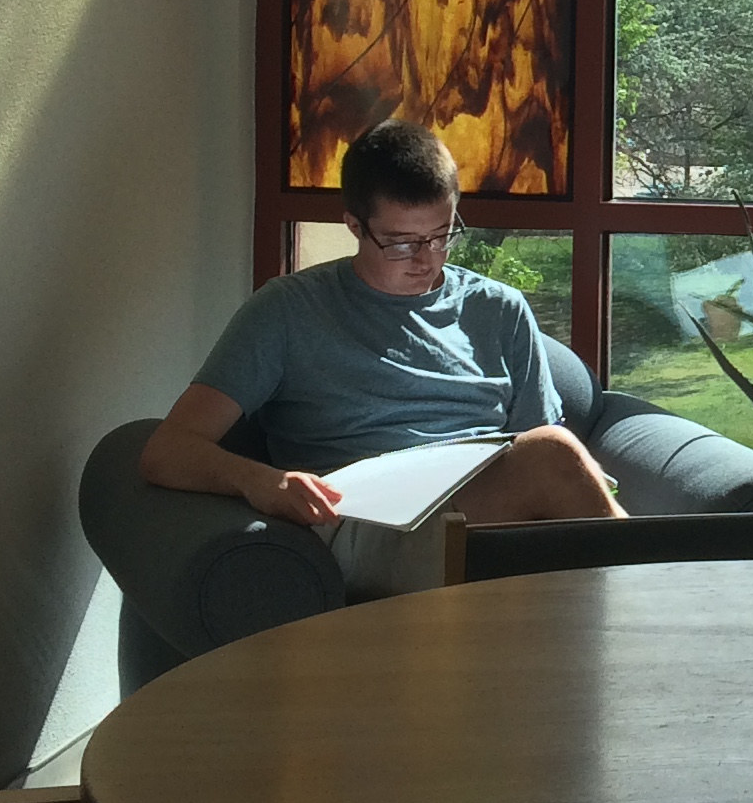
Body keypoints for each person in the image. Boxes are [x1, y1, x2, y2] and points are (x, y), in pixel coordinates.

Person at [140, 118, 616, 593]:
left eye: (442, 234)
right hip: (367, 527)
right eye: (402, 243)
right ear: (354, 226)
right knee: (552, 456)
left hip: (486, 509)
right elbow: (167, 452)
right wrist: (261, 482)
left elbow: (533, 442)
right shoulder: (286, 310)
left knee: (553, 464)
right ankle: (659, 596)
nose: (426, 259)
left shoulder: (499, 309)